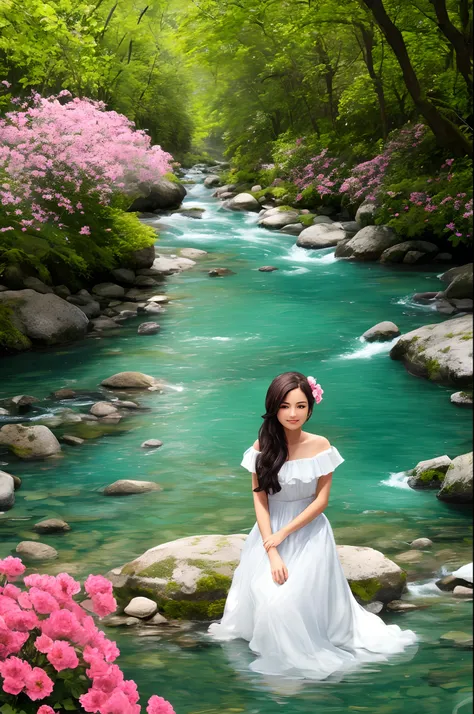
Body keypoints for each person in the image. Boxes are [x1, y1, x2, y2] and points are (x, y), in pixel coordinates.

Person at [207, 371, 419, 680]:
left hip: (309, 532)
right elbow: (260, 500)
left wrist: (284, 533)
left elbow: (320, 502)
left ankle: (299, 654)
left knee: (285, 601)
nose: (293, 414)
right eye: (285, 406)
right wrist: (272, 549)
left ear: (310, 407)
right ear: (273, 407)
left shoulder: (321, 445)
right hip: (269, 533)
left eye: (301, 406)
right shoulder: (262, 446)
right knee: (266, 595)